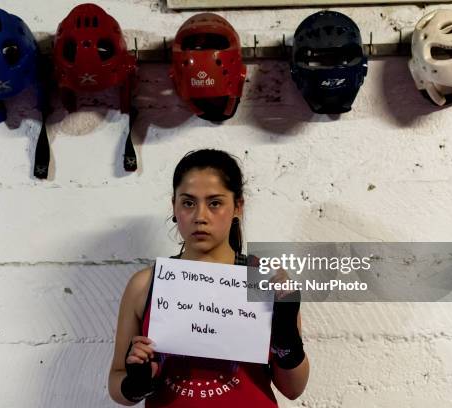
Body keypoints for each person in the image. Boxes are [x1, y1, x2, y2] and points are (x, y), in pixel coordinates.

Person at [108, 149, 310, 406]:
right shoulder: (145, 285)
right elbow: (116, 380)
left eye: (215, 203)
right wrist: (136, 384)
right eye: (188, 203)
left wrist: (287, 339)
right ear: (174, 206)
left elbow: (293, 389)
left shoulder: (268, 279)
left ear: (238, 206)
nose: (200, 217)